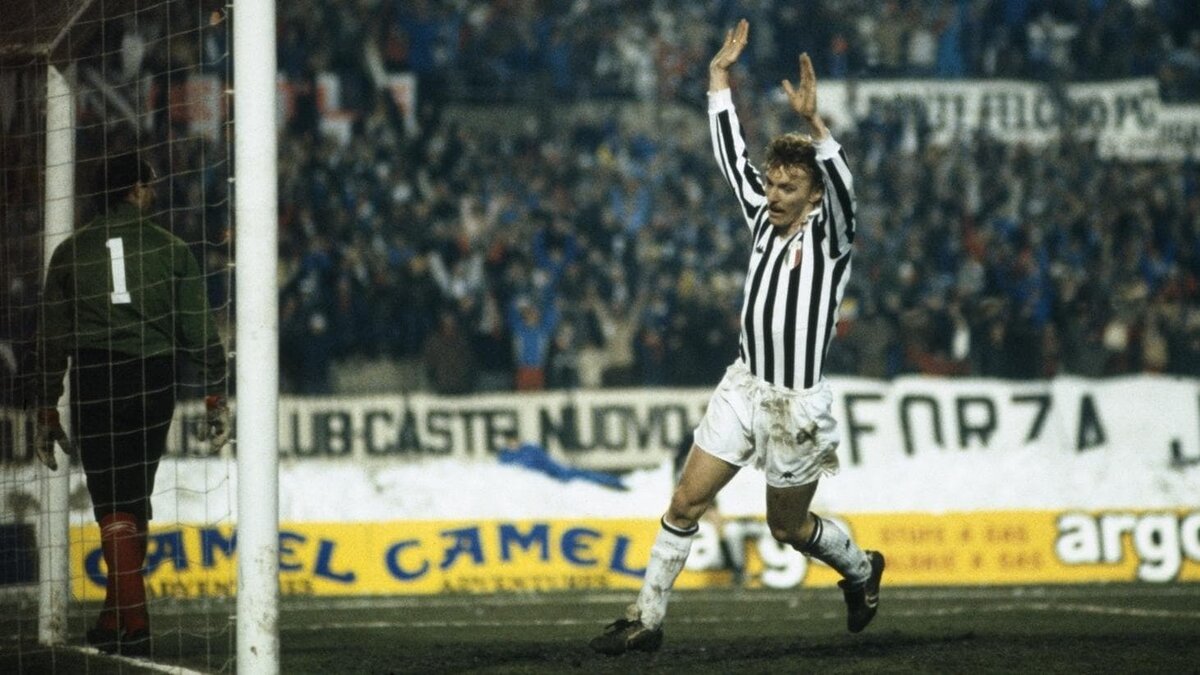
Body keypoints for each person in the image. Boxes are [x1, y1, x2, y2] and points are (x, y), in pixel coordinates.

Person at [590, 19, 884, 655]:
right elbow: (731, 158)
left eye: (789, 188)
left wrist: (818, 128)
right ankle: (647, 618)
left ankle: (861, 572)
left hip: (797, 405)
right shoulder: (762, 216)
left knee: (788, 526)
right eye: (773, 184)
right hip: (744, 384)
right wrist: (718, 82)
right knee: (685, 499)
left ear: (813, 196)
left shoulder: (831, 240)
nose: (774, 195)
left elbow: (848, 193)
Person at [30, 152, 230, 657]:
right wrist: (213, 394)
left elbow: (51, 338)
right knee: (135, 494)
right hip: (154, 375)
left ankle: (135, 622)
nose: (156, 192)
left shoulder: (71, 253)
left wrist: (47, 407)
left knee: (112, 501)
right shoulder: (173, 248)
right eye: (152, 184)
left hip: (97, 375)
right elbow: (199, 327)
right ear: (136, 189)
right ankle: (115, 616)